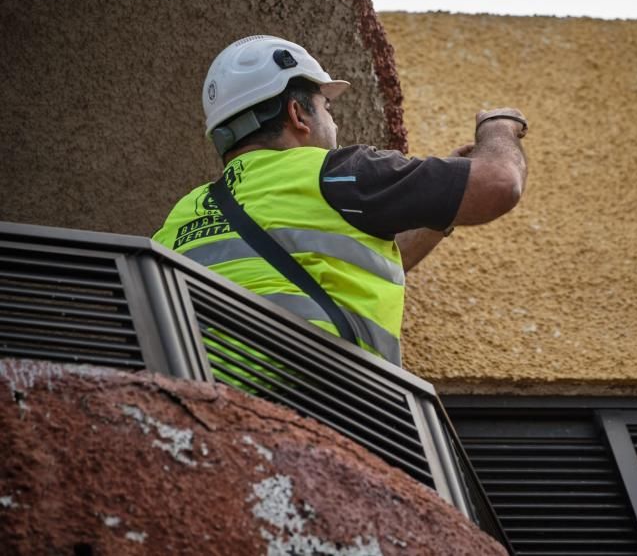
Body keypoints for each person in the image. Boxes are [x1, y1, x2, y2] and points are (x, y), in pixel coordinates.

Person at [153, 35, 527, 368]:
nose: (334, 124)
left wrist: (438, 212)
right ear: (298, 114)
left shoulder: (182, 214)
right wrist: (498, 125)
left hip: (209, 415)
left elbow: (344, 264)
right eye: (327, 107)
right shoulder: (336, 172)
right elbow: (500, 182)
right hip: (327, 407)